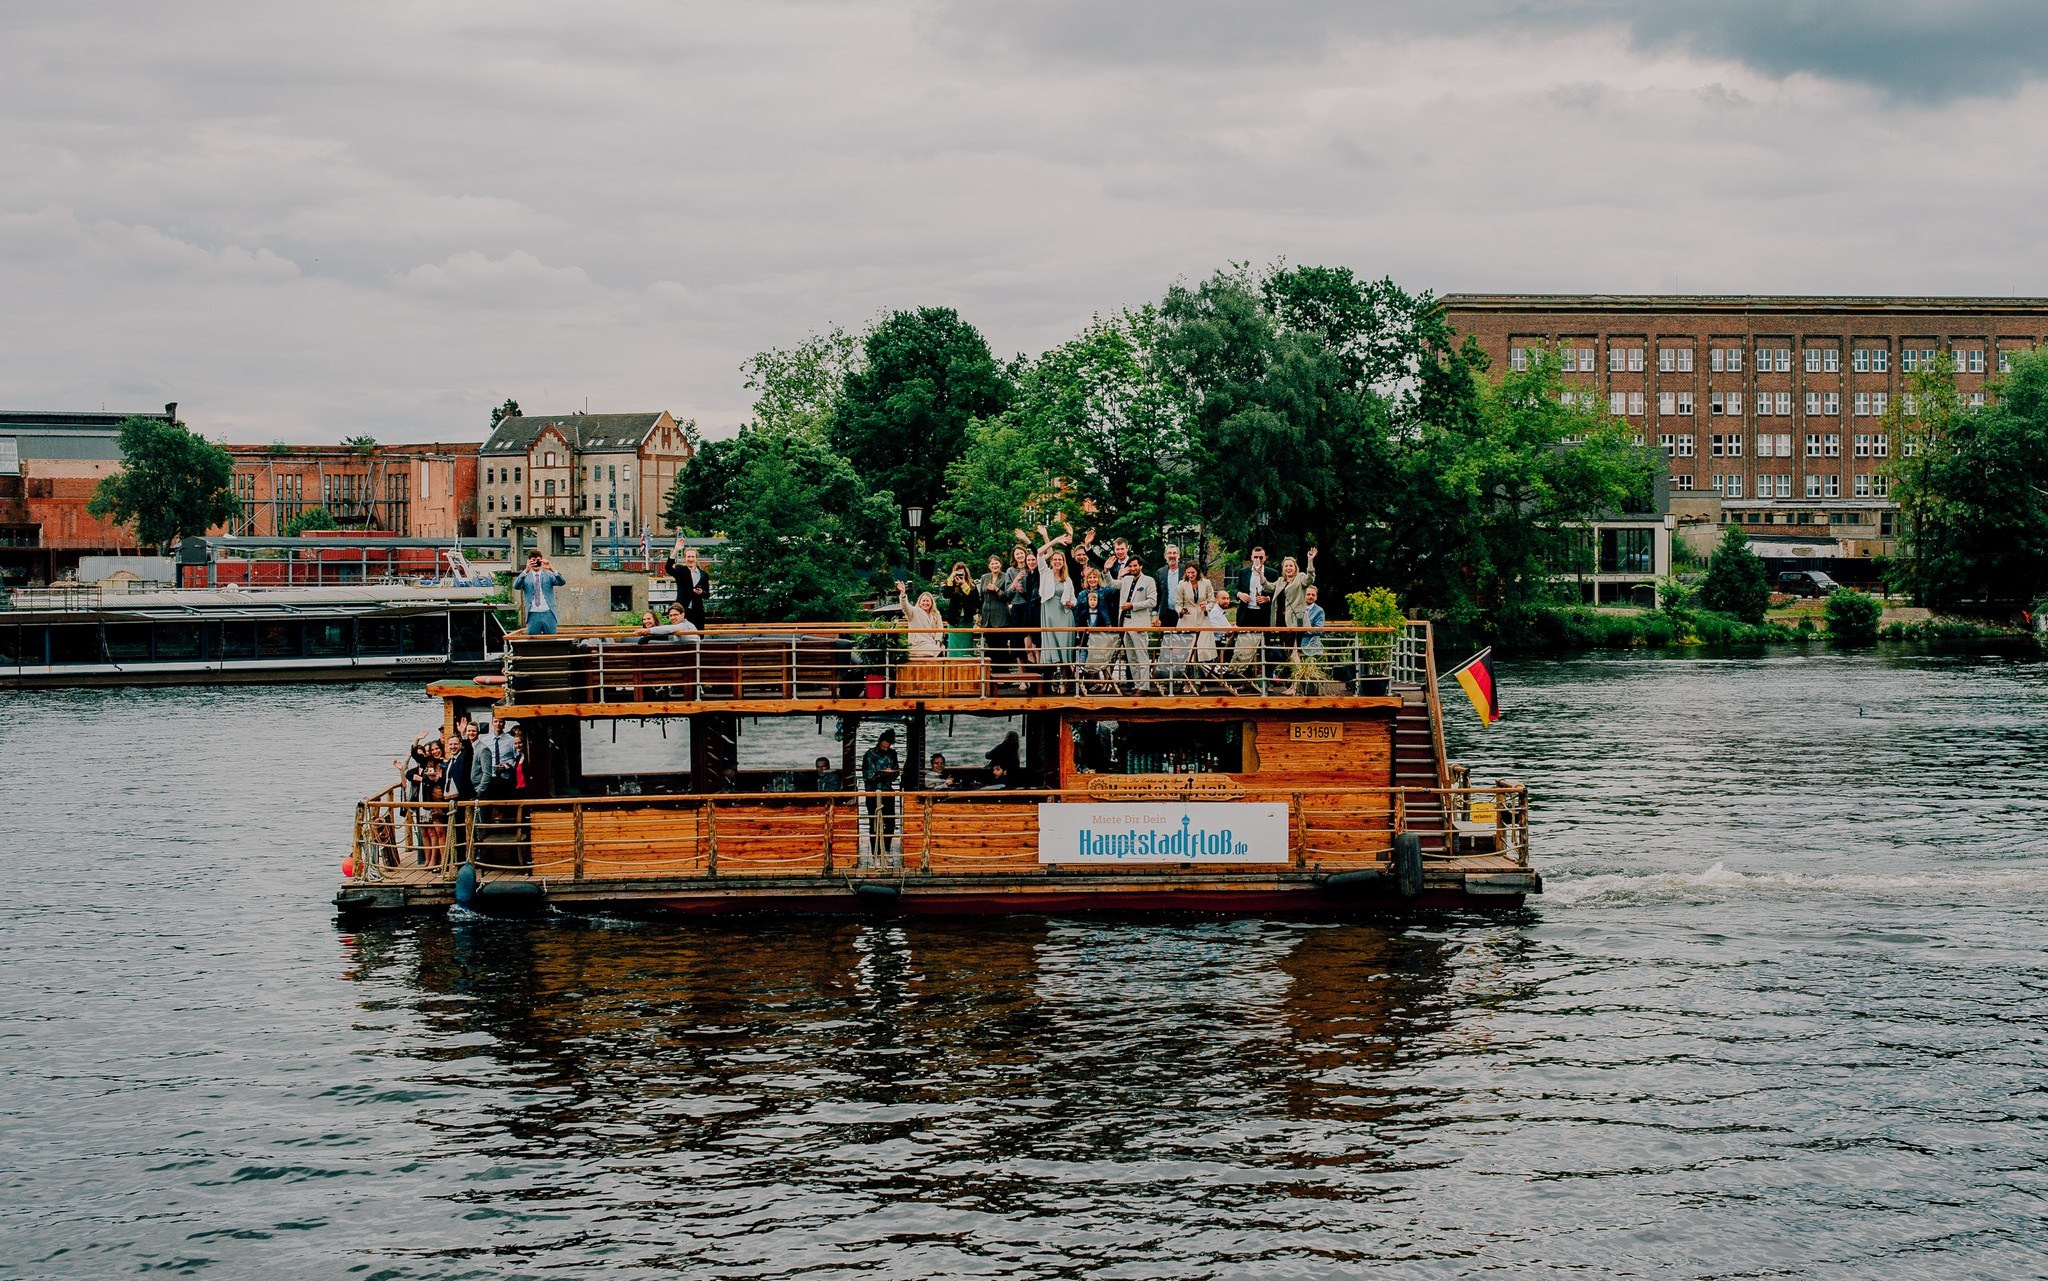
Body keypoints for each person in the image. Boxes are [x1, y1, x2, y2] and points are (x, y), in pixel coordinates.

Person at [1036, 531, 1077, 672]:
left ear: (1063, 563)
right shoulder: (1045, 572)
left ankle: (1064, 681)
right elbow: (1040, 553)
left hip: (1064, 614)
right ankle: (1052, 679)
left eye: (1060, 560)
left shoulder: (1067, 579)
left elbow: (1074, 598)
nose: (1058, 562)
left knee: (1064, 644)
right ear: (1052, 562)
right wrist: (1055, 540)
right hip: (1049, 611)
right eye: (1055, 560)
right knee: (1051, 643)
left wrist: (1071, 603)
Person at [1116, 554, 1157, 691]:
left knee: (1141, 657)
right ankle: (1137, 685)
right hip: (1125, 622)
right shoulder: (1126, 580)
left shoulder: (1148, 580)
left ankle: (1144, 686)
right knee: (1131, 657)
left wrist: (1133, 605)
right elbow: (1112, 584)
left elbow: (1152, 601)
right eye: (1131, 566)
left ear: (1140, 566)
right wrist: (1106, 571)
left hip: (1139, 623)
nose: (1133, 568)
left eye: (1135, 565)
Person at [861, 729, 901, 862]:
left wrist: (892, 772)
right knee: (874, 824)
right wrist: (879, 774)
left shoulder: (893, 754)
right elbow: (866, 775)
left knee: (890, 823)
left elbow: (896, 771)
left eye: (887, 746)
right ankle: (875, 853)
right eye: (883, 746)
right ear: (879, 742)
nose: (885, 748)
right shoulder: (869, 754)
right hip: (873, 792)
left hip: (887, 790)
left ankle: (887, 849)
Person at [512, 553, 567, 636]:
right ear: (529, 562)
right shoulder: (525, 576)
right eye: (533, 561)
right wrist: (526, 570)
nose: (536, 564)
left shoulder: (548, 575)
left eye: (538, 560)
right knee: (532, 642)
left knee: (552, 641)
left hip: (548, 612)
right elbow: (516, 586)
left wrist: (552, 569)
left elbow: (562, 582)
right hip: (532, 613)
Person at [661, 543, 710, 629]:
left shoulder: (704, 575)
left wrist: (701, 592)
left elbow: (707, 595)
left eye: (692, 557)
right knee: (680, 634)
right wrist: (676, 550)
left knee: (698, 636)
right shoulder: (680, 570)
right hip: (681, 610)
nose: (690, 559)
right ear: (685, 558)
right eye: (688, 557)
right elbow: (668, 568)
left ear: (696, 558)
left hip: (697, 611)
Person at [977, 554, 1012, 669]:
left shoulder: (1006, 576)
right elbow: (980, 597)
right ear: (989, 566)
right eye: (992, 563)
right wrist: (979, 615)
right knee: (991, 646)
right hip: (987, 617)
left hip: (1001, 617)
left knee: (1001, 646)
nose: (994, 565)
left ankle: (1004, 675)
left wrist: (996, 589)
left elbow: (1008, 596)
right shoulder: (984, 577)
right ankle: (993, 674)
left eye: (996, 563)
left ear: (1000, 564)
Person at [897, 582, 946, 660]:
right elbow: (905, 607)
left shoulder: (936, 614)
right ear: (919, 602)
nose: (925, 603)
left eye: (927, 601)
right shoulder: (914, 611)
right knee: (937, 651)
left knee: (943, 650)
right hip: (917, 644)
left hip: (932, 643)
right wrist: (903, 594)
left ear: (931, 602)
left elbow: (940, 629)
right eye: (923, 601)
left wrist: (938, 641)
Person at [940, 562, 977, 656]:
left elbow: (974, 600)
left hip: (966, 620)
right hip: (954, 621)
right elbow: (945, 594)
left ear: (966, 574)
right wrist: (951, 579)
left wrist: (964, 584)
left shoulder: (972, 586)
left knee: (966, 648)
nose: (960, 576)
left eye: (962, 574)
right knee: (953, 648)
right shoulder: (951, 585)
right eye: (958, 574)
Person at [1155, 544, 1184, 628]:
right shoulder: (1161, 572)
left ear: (1178, 555)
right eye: (1169, 553)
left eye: (1174, 553)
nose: (1172, 556)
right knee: (1166, 639)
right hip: (1165, 613)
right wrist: (1155, 613)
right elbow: (1158, 594)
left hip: (1183, 613)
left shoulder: (1186, 571)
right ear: (1165, 556)